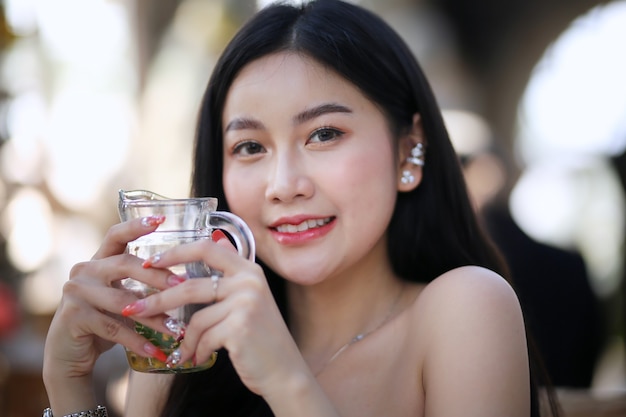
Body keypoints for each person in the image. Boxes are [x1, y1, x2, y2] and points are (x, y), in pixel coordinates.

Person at [42, 1, 550, 416]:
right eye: (249, 147)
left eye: (324, 134)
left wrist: (287, 381)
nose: (283, 186)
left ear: (407, 150)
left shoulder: (465, 309)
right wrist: (68, 388)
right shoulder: (186, 337)